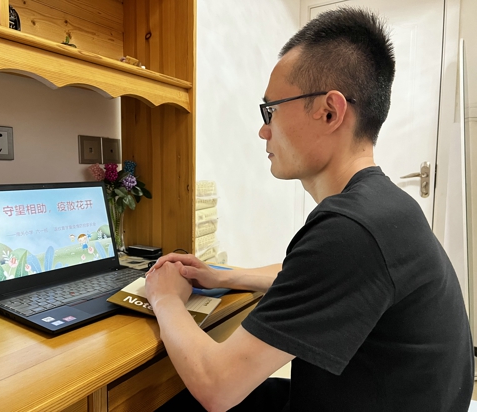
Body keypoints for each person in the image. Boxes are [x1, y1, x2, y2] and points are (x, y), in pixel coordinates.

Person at [145, 7, 474, 412]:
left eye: (271, 110)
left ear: (329, 112)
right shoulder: (384, 205)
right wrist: (224, 276)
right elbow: (308, 275)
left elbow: (217, 386)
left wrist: (163, 297)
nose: (263, 130)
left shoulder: (351, 231)